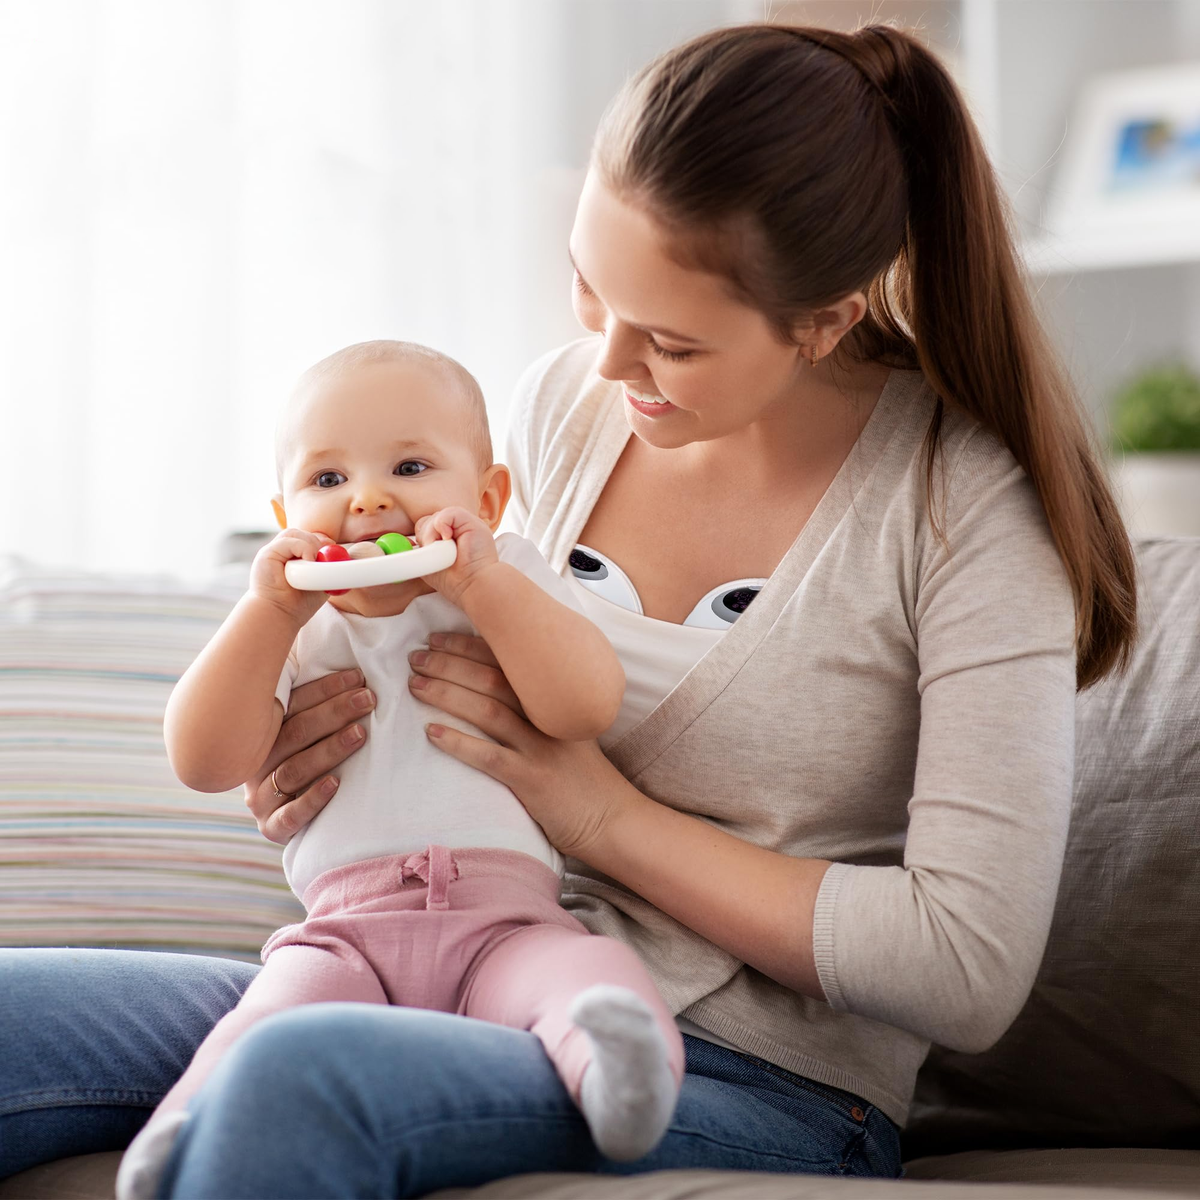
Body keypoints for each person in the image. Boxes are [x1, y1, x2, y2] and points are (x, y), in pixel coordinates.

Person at [0, 20, 1136, 1197]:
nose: (605, 364)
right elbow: (439, 654)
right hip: (424, 969)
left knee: (307, 1074)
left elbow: (965, 966)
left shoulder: (964, 510)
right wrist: (307, 755)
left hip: (751, 1070)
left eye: (673, 344)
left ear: (825, 319)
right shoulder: (569, 408)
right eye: (592, 289)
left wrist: (600, 819)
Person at [115, 340, 684, 1198]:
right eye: (328, 480)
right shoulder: (292, 626)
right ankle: (186, 1127)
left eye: (410, 467)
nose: (369, 498)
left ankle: (618, 1071)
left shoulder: (509, 582)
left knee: (581, 977)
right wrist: (266, 611)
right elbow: (203, 761)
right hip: (344, 936)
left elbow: (584, 707)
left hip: (507, 921)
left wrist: (484, 584)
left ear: (487, 498)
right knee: (269, 1022)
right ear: (285, 515)